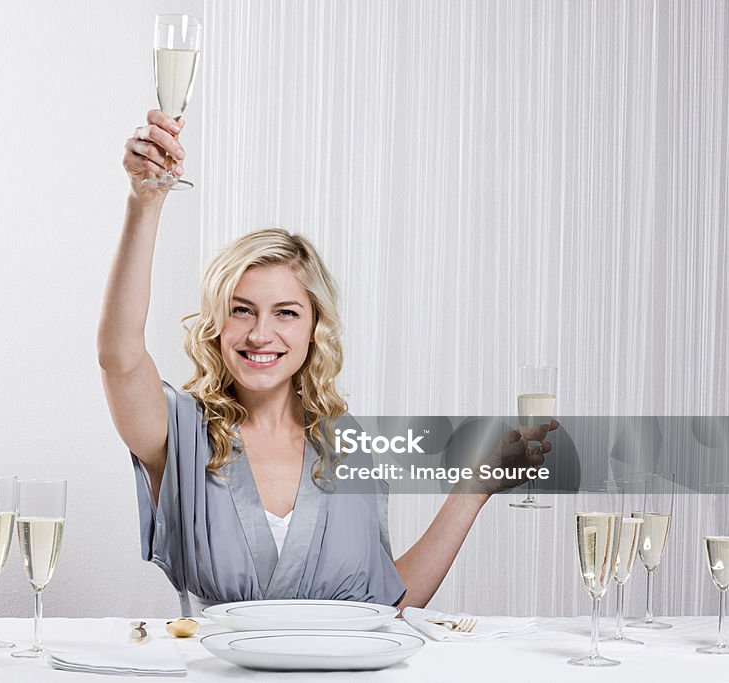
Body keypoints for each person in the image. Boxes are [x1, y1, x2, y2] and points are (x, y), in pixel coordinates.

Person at [98, 109, 554, 613]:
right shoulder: (177, 432)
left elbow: (384, 605)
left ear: (315, 327)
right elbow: (119, 357)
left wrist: (473, 490)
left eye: (286, 313)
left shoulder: (347, 446)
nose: (260, 333)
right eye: (240, 310)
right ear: (216, 324)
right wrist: (146, 203)